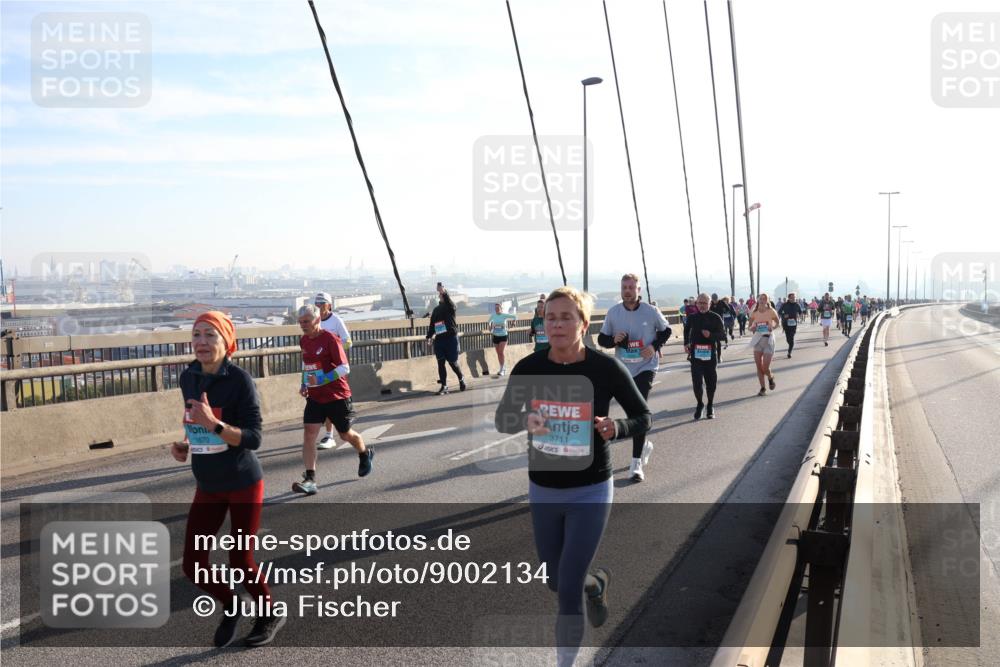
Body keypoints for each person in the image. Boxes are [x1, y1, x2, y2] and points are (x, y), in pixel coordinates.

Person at [494, 286, 651, 667]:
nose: (557, 324)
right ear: (542, 323)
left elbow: (642, 416)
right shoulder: (529, 367)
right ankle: (595, 584)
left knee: (566, 588)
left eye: (566, 317)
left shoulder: (604, 368)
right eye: (550, 317)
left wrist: (616, 427)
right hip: (544, 489)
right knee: (555, 580)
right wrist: (525, 419)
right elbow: (504, 418)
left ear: (583, 324)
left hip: (591, 490)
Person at [173, 311, 285, 647]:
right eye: (196, 335)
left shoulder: (240, 380)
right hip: (207, 483)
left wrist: (215, 426)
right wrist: (185, 443)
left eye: (210, 335)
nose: (202, 343)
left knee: (240, 560)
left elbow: (254, 438)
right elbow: (198, 422)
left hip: (242, 482)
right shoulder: (188, 377)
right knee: (193, 565)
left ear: (226, 341)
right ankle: (231, 602)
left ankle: (269, 613)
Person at [597, 273, 670, 482]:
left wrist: (653, 347)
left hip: (646, 367)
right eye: (624, 287)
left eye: (631, 287)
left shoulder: (651, 311)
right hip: (622, 369)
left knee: (638, 411)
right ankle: (644, 443)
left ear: (639, 291)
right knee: (625, 412)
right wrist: (613, 340)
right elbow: (602, 339)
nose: (627, 290)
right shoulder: (613, 312)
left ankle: (636, 464)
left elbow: (666, 330)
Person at [294, 304, 373, 495]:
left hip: (337, 396)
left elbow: (344, 368)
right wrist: (304, 383)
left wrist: (321, 379)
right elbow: (307, 364)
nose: (303, 325)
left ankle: (364, 453)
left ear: (317, 320)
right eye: (300, 322)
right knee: (309, 435)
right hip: (315, 397)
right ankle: (310, 479)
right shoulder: (304, 340)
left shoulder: (330, 339)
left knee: (345, 435)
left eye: (306, 321)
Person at [314, 292, 352, 450]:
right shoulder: (314, 321)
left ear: (329, 305)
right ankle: (330, 431)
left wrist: (333, 350)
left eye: (322, 303)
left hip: (334, 368)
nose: (319, 306)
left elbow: (348, 341)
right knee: (320, 402)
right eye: (317, 303)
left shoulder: (336, 321)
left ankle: (329, 435)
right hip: (318, 369)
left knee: (331, 401)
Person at [683, 293, 727, 419]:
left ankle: (710, 405)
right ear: (696, 303)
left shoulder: (715, 317)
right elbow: (686, 330)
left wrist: (711, 335)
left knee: (711, 383)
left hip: (710, 356)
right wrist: (686, 343)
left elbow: (723, 336)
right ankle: (699, 404)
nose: (702, 305)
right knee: (697, 383)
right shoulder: (692, 317)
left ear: (709, 304)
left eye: (704, 303)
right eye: (700, 303)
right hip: (696, 355)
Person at [425, 289, 466, 395]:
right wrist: (429, 337)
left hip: (451, 338)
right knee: (441, 362)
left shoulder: (451, 307)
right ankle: (444, 386)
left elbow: (449, 302)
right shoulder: (436, 310)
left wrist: (444, 292)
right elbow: (432, 324)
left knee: (453, 363)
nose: (441, 295)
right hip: (439, 339)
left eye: (442, 294)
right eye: (440, 294)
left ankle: (461, 378)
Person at [747, 294, 780, 396]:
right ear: (758, 300)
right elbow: (749, 326)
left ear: (767, 301)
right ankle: (763, 388)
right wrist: (751, 328)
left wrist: (772, 328)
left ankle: (770, 377)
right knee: (758, 366)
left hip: (768, 340)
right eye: (760, 299)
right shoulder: (754, 312)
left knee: (765, 367)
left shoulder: (771, 311)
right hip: (758, 340)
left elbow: (778, 323)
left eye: (764, 299)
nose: (762, 300)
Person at [487, 302, 517, 376]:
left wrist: (513, 322)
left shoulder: (504, 315)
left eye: (498, 308)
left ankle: (502, 369)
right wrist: (490, 327)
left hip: (503, 336)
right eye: (495, 308)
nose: (497, 309)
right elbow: (489, 321)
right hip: (495, 336)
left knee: (501, 352)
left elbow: (515, 316)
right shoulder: (493, 315)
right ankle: (502, 368)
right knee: (498, 353)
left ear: (501, 309)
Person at [778, 292, 803, 359]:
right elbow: (779, 312)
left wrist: (800, 316)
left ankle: (789, 352)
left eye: (794, 297)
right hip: (785, 323)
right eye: (792, 297)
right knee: (788, 339)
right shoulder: (784, 304)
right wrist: (784, 315)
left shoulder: (797, 305)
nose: (793, 299)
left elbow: (801, 312)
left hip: (794, 324)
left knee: (791, 338)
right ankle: (790, 345)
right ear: (789, 298)